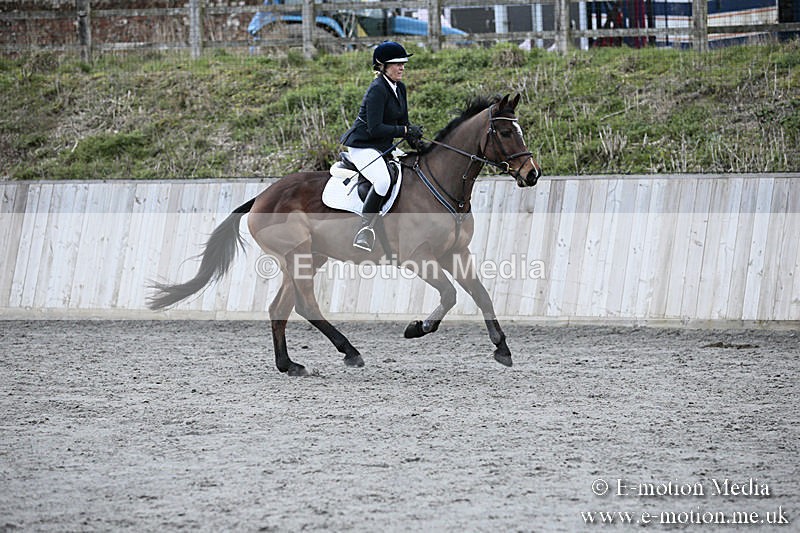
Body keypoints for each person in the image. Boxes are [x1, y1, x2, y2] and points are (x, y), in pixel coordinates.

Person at [340, 41, 424, 252]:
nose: (402, 67)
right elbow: (375, 128)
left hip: (383, 145)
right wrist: (404, 132)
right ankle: (365, 230)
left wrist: (416, 141)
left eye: (403, 63)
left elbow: (402, 122)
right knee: (383, 180)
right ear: (383, 66)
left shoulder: (399, 88)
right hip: (364, 146)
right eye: (396, 64)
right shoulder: (377, 89)